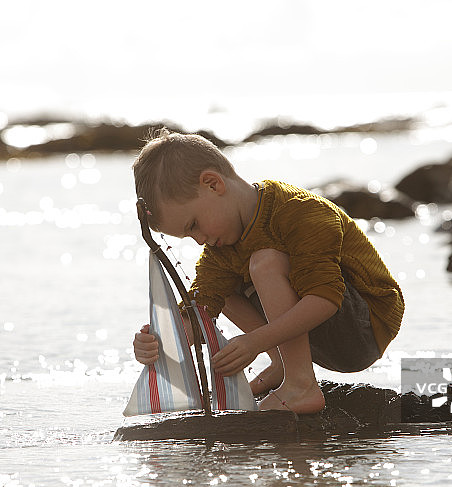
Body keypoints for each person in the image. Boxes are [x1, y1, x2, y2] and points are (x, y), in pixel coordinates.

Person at [131, 129, 404, 414]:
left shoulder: (301, 212)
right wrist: (160, 343)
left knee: (265, 261)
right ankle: (281, 366)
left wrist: (254, 342)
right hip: (318, 332)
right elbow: (200, 310)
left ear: (213, 184)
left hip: (364, 328)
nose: (199, 240)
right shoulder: (221, 248)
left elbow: (325, 300)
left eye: (194, 225)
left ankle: (301, 385)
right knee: (221, 288)